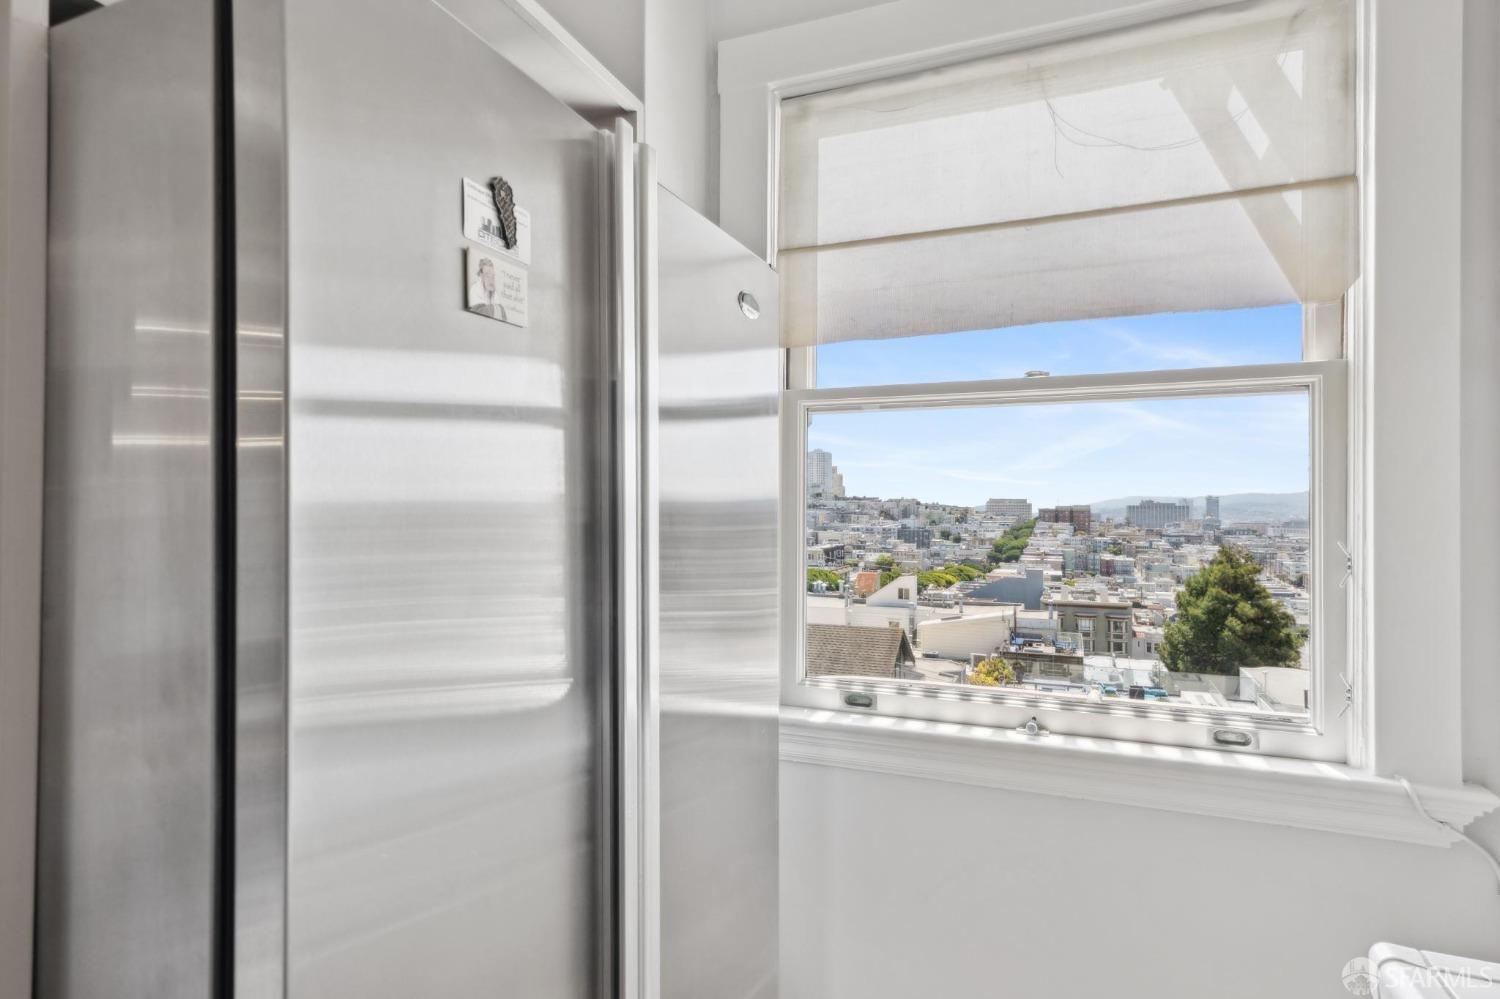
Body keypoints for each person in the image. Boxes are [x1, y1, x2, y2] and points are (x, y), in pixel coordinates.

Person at [467, 255, 507, 320]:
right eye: (487, 275)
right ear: (481, 275)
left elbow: (499, 310)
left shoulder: (493, 291)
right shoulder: (474, 290)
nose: (491, 279)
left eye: (492, 276)